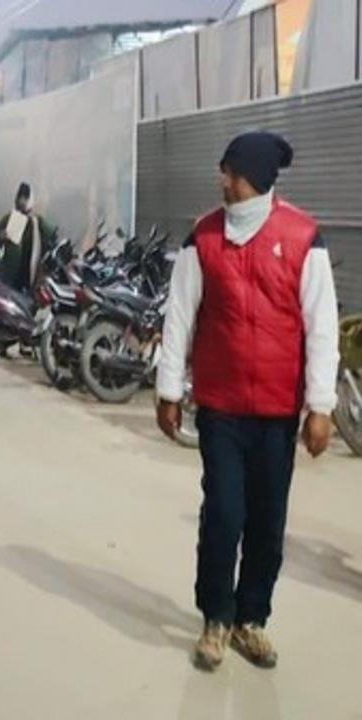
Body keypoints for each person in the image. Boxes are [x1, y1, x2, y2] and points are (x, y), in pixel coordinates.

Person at [156, 131, 339, 672]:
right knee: (224, 514)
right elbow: (180, 316)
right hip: (221, 407)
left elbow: (321, 326)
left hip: (278, 412)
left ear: (255, 179)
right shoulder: (203, 237)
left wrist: (321, 405)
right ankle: (216, 616)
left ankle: (250, 619)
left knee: (266, 522)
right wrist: (169, 391)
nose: (223, 182)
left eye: (231, 173)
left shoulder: (303, 239)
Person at [0, 182, 57, 293]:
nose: (22, 201)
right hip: (9, 273)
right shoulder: (7, 219)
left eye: (25, 198)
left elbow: (52, 236)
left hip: (28, 273)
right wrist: (1, 237)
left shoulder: (36, 221)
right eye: (20, 197)